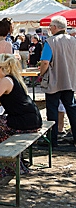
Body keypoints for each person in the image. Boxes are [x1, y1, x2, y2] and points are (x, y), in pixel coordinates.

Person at [40, 16, 76, 148]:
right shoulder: (73, 40)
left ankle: (52, 140)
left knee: (52, 110)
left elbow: (45, 62)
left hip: (54, 81)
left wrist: (41, 73)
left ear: (55, 27)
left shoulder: (50, 41)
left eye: (50, 27)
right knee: (72, 109)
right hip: (70, 81)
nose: (49, 29)